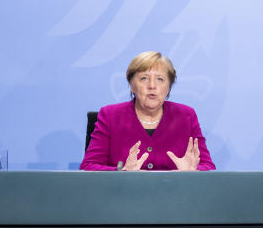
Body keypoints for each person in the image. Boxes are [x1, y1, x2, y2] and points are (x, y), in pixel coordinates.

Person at [81, 51, 215, 171]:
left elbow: (207, 166)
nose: (152, 86)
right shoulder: (110, 116)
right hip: (124, 195)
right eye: (144, 78)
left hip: (174, 196)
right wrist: (121, 172)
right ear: (132, 85)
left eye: (160, 79)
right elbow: (89, 165)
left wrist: (192, 172)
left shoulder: (186, 115)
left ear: (168, 87)